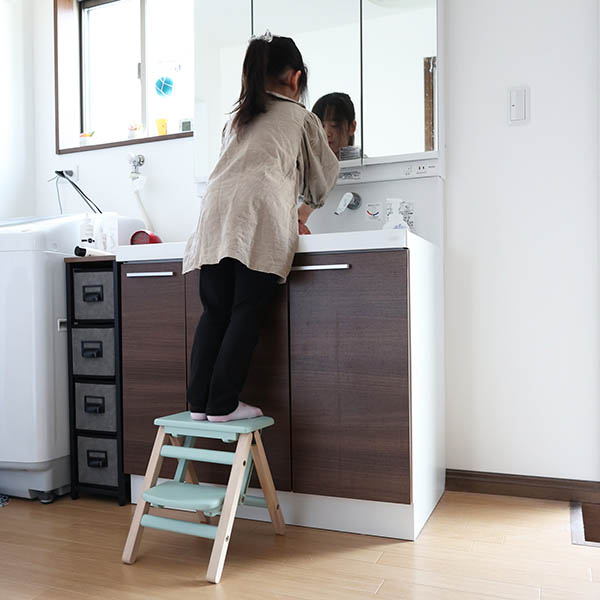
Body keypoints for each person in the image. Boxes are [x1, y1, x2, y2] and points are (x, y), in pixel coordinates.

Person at [183, 32, 339, 423]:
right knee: (246, 311)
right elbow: (322, 179)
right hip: (257, 213)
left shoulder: (238, 118)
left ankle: (200, 402)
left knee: (214, 312)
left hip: (214, 216)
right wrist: (303, 212)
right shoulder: (301, 118)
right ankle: (223, 404)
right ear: (296, 79)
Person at [311, 92, 357, 159]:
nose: (327, 133)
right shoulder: (307, 164)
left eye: (334, 125)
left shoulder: (365, 164)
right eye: (321, 126)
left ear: (352, 127)